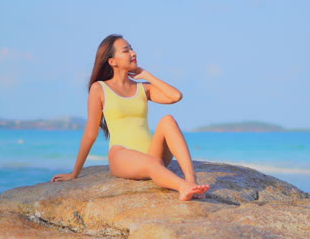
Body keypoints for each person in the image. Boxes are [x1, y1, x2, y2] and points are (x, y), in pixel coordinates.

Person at [51, 34, 210, 201]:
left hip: (153, 154)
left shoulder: (142, 88)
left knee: (168, 120)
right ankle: (183, 187)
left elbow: (175, 96)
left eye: (132, 49)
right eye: (126, 50)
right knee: (152, 164)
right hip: (122, 155)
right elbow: (91, 134)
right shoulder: (99, 89)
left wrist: (146, 75)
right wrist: (75, 173)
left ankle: (191, 181)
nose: (133, 53)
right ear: (112, 61)